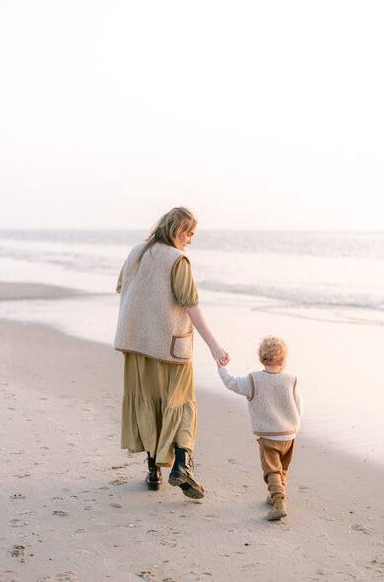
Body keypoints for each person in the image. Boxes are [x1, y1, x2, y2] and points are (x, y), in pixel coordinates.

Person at [115, 207, 229, 499]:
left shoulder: (135, 252)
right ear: (177, 229)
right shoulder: (178, 260)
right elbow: (190, 304)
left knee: (149, 404)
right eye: (188, 233)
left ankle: (153, 472)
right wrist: (214, 345)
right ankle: (182, 466)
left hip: (137, 345)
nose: (190, 240)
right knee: (181, 404)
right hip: (169, 347)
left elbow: (123, 288)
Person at [217, 335, 302, 520]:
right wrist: (292, 425)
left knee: (272, 470)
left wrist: (221, 368)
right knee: (281, 469)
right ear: (282, 360)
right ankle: (275, 495)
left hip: (269, 435)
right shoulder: (291, 379)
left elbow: (232, 383)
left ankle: (279, 501)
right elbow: (298, 406)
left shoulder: (253, 380)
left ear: (262, 358)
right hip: (289, 435)